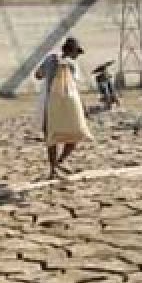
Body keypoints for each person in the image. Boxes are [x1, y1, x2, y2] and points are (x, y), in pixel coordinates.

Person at [34, 36, 93, 178]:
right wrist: (83, 107)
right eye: (76, 53)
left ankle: (54, 169)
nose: (77, 56)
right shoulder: (71, 64)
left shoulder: (50, 58)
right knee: (76, 134)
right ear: (72, 51)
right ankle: (60, 161)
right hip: (68, 103)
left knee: (51, 136)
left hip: (49, 102)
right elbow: (74, 88)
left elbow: (38, 75)